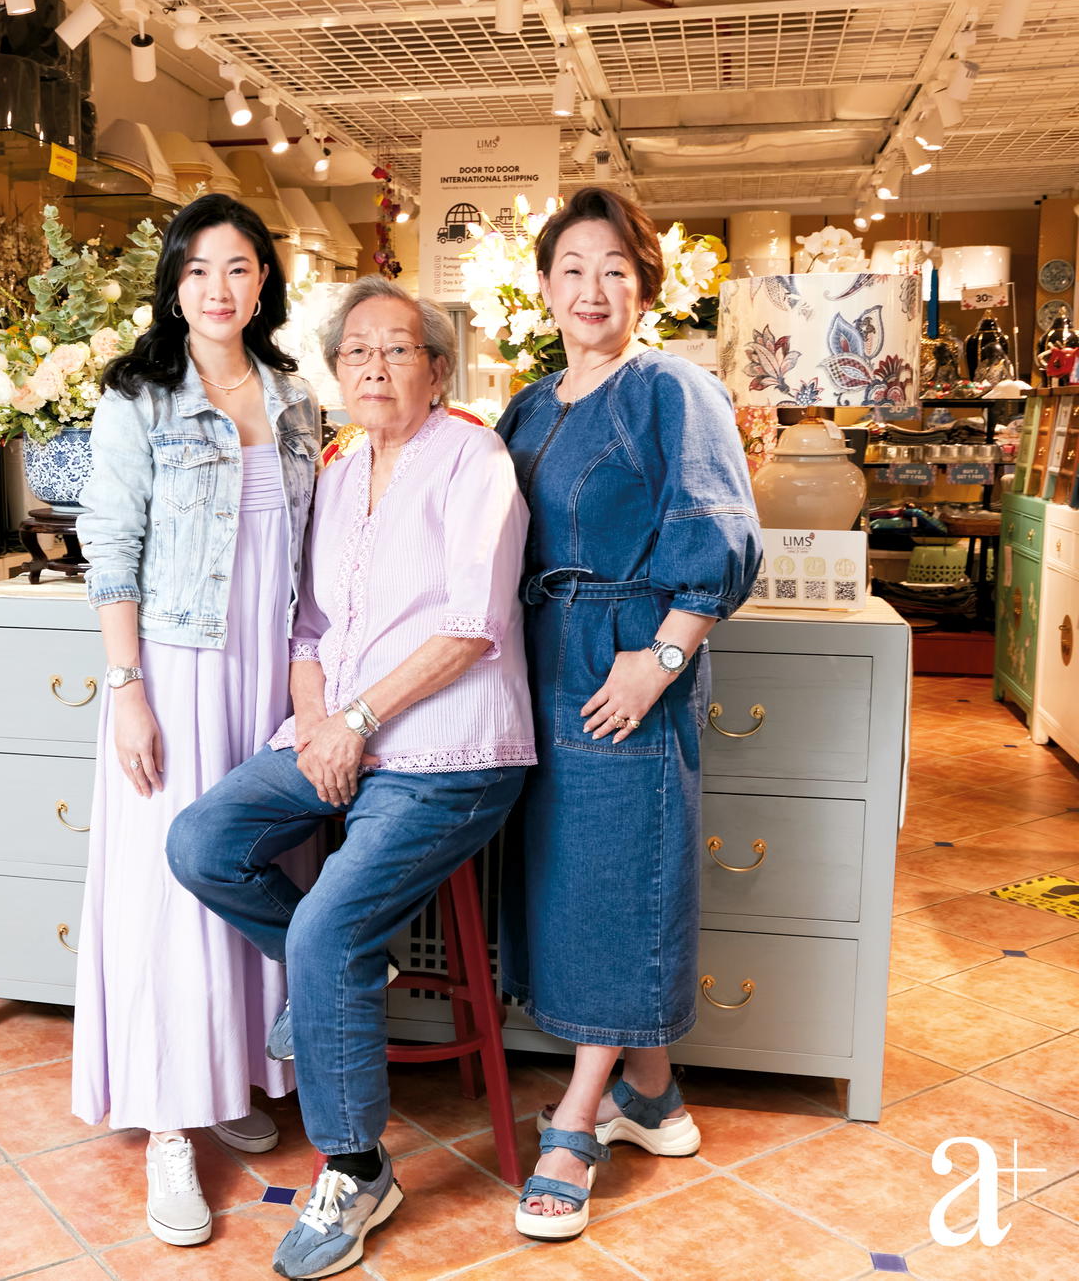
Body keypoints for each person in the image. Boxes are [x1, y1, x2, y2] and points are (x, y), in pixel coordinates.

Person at [166, 276, 535, 1280]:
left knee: (328, 927)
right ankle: (338, 969)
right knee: (199, 843)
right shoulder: (333, 470)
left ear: (437, 369)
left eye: (398, 350)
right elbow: (310, 628)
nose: (375, 368)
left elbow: (472, 624)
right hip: (341, 734)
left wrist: (356, 723)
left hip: (451, 754)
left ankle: (357, 1166)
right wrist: (320, 722)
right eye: (358, 353)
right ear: (339, 374)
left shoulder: (475, 459)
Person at [495, 186, 762, 1241]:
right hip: (536, 661)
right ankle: (649, 1093)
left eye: (612, 267)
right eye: (570, 267)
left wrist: (659, 659)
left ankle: (575, 1121)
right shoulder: (529, 402)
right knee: (564, 875)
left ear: (643, 285)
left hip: (623, 662)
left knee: (618, 875)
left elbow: (719, 537)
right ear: (545, 286)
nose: (590, 288)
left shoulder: (671, 390)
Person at [72, 193, 321, 1246]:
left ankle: (230, 1079)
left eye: (238, 269)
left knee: (254, 872)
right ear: (172, 287)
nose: (218, 289)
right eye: (197, 271)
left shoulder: (297, 396)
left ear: (263, 281)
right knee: (164, 892)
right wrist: (125, 690)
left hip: (271, 674)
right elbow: (110, 546)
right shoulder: (139, 397)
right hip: (174, 670)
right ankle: (169, 1128)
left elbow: (313, 552)